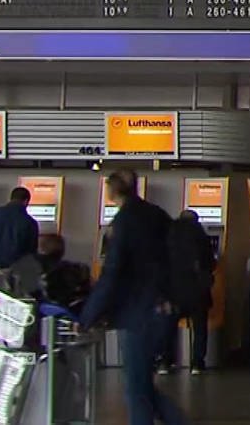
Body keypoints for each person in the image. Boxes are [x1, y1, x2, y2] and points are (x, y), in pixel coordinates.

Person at [80, 171, 186, 425]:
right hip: (164, 308)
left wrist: (88, 315)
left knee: (136, 389)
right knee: (142, 384)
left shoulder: (124, 222)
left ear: (112, 190)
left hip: (139, 312)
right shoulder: (157, 214)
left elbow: (112, 272)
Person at [164, 210, 217, 375]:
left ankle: (166, 362)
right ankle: (197, 363)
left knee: (169, 327)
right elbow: (210, 263)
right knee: (200, 328)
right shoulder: (201, 236)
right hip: (197, 290)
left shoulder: (169, 235)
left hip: (175, 291)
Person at [0, 186, 39, 269]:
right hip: (14, 268)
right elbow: (31, 252)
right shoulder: (30, 222)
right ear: (26, 201)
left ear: (11, 198)